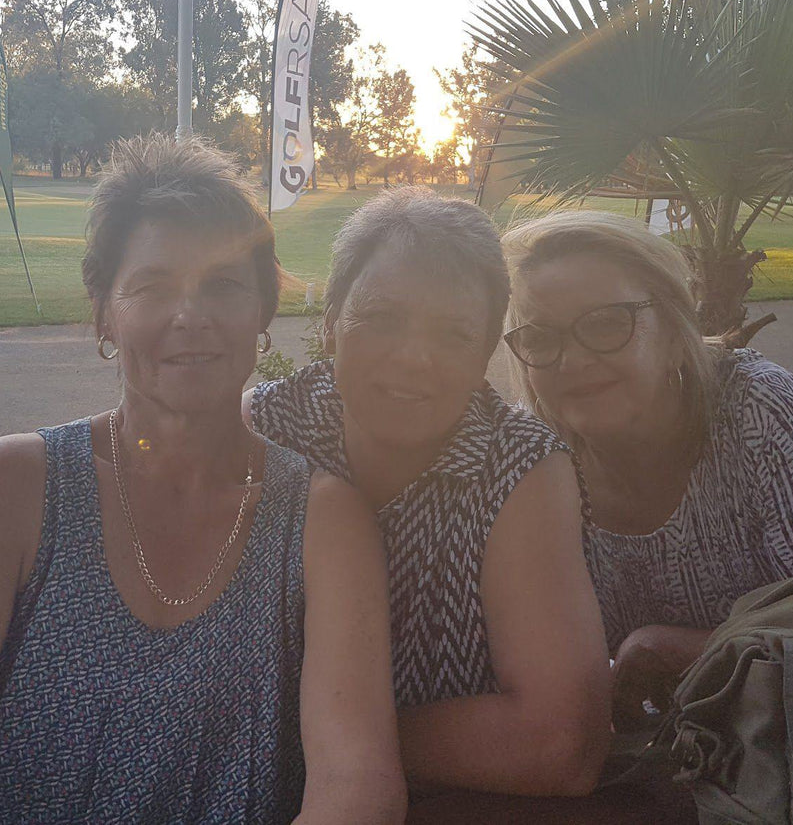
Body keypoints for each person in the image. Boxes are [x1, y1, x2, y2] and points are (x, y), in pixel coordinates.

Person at [0, 136, 405, 825]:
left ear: (262, 311)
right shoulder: (14, 488)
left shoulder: (321, 521)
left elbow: (356, 782)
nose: (189, 315)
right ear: (104, 313)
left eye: (223, 284)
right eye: (153, 286)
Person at [248, 188, 611, 799]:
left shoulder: (520, 466)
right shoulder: (266, 432)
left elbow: (560, 743)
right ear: (331, 322)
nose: (414, 358)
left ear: (486, 351)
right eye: (382, 318)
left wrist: (342, 749)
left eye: (453, 334)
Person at [501, 210, 793, 728]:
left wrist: (682, 649)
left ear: (677, 330)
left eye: (608, 323)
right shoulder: (531, 456)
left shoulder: (759, 410)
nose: (572, 361)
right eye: (541, 338)